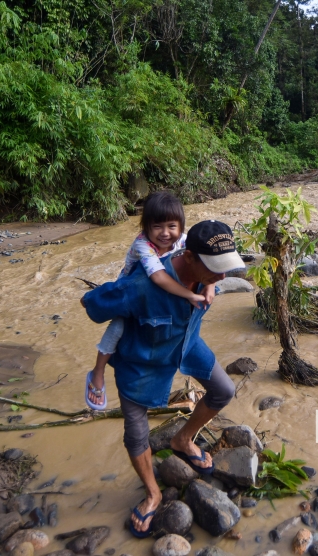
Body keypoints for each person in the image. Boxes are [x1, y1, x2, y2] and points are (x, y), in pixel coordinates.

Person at [80, 219, 244, 537]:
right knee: (136, 433)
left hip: (187, 344)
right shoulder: (141, 286)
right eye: (215, 269)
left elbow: (215, 278)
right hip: (141, 363)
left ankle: (182, 440)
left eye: (225, 267)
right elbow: (94, 304)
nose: (223, 276)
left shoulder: (206, 275)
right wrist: (101, 299)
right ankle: (153, 492)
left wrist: (210, 283)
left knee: (224, 390)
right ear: (190, 257)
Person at [85, 192, 215, 410]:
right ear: (146, 227)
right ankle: (97, 372)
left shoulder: (183, 240)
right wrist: (190, 294)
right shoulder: (142, 244)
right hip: (131, 290)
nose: (165, 233)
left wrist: (210, 284)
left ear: (181, 226)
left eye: (172, 226)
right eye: (157, 227)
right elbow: (158, 277)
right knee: (117, 327)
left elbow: (206, 260)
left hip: (162, 289)